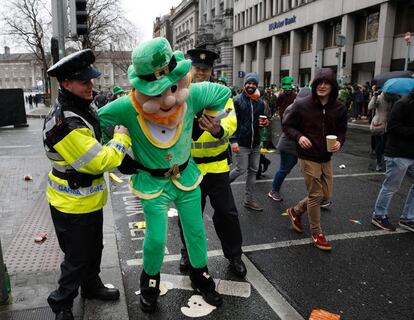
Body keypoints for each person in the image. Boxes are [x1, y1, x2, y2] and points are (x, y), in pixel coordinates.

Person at [98, 38, 230, 312]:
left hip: (186, 179)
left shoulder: (191, 95)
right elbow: (97, 120)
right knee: (156, 238)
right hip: (153, 182)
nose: (168, 99)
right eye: (156, 93)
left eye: (172, 87)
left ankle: (200, 276)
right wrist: (118, 150)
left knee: (195, 231)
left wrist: (209, 120)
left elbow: (221, 94)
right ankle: (150, 281)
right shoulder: (127, 107)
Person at [43, 49, 131, 320]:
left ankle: (91, 286)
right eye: (85, 82)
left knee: (94, 249)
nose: (91, 86)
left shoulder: (81, 107)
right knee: (77, 257)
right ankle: (62, 303)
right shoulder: (65, 123)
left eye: (91, 80)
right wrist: (121, 139)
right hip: (71, 203)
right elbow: (98, 161)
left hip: (88, 199)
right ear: (66, 84)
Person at [177, 48, 246, 278]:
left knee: (227, 213)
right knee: (189, 214)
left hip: (217, 167)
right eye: (198, 68)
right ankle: (187, 252)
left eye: (206, 70)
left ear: (211, 71)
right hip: (190, 167)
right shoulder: (181, 92)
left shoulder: (220, 93)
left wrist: (219, 129)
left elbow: (231, 121)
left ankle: (234, 255)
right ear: (191, 68)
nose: (202, 73)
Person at [283, 68, 347, 251]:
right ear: (314, 85)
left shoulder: (339, 107)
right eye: (319, 83)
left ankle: (295, 211)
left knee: (326, 196)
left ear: (333, 86)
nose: (322, 86)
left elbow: (342, 130)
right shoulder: (302, 104)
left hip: (326, 156)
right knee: (316, 195)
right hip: (307, 156)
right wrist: (299, 137)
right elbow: (287, 125)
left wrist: (340, 142)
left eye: (326, 83)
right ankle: (317, 232)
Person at [371, 90, 414, 233]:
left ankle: (408, 218)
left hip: (411, 153)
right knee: (391, 187)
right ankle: (379, 215)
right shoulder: (403, 103)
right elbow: (393, 127)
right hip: (398, 153)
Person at [229, 72, 269, 211]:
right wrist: (233, 140)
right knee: (241, 169)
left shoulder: (260, 103)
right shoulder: (236, 100)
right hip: (242, 142)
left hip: (255, 143)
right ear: (244, 84)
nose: (251, 86)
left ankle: (249, 200)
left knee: (253, 171)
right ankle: (222, 186)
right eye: (249, 83)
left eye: (254, 83)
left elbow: (260, 122)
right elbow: (230, 122)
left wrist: (265, 123)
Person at [267, 87, 311, 202]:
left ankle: (317, 196)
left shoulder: (307, 108)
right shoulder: (293, 109)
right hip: (289, 146)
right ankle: (273, 191)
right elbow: (287, 128)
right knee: (284, 169)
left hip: (302, 146)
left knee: (312, 171)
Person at [368, 88, 391, 172]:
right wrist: (374, 96)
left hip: (390, 124)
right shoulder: (379, 97)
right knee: (380, 145)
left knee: (386, 145)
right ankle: (378, 162)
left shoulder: (395, 98)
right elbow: (370, 107)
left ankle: (384, 162)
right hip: (379, 123)